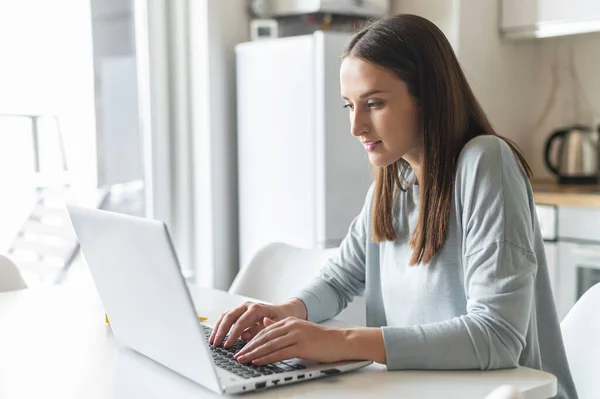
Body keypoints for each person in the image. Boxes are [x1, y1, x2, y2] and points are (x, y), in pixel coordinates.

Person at [210, 14, 577, 399]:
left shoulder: (485, 162)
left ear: (428, 97)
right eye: (349, 106)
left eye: (374, 103)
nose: (357, 126)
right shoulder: (393, 185)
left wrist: (341, 341)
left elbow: (497, 337)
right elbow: (339, 280)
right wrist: (285, 312)